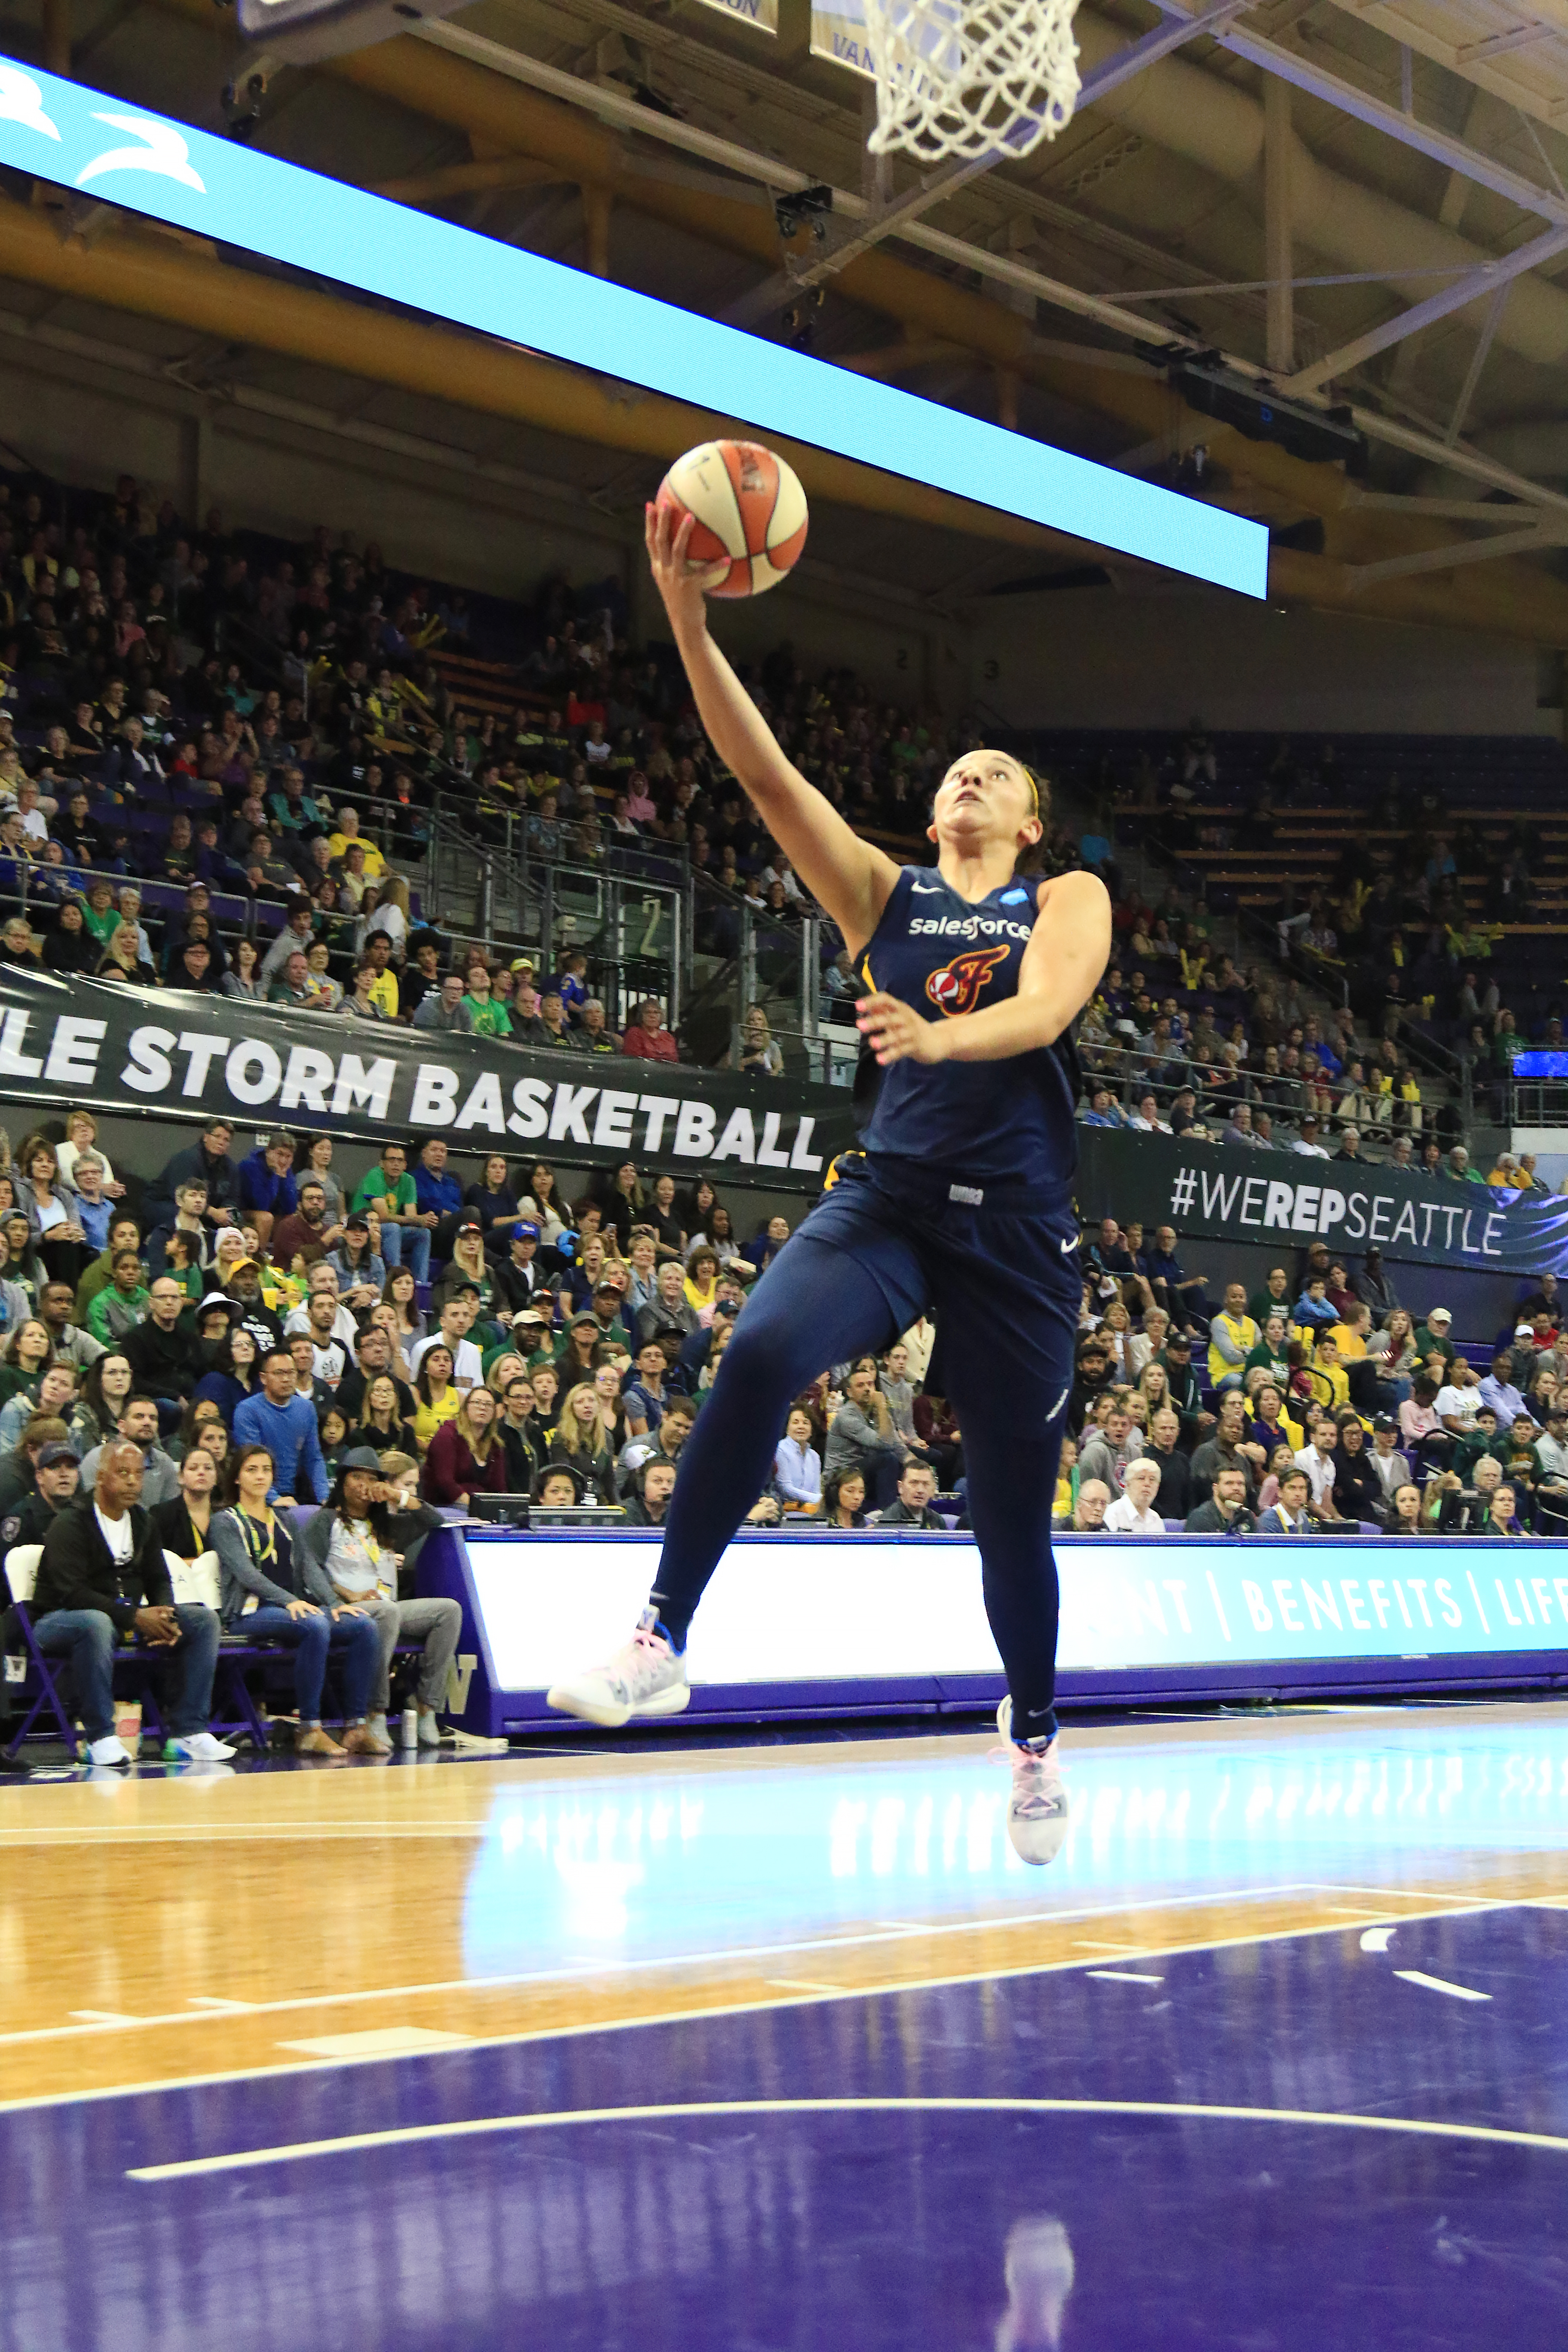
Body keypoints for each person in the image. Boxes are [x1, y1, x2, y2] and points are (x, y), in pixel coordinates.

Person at [548, 503, 1110, 1872]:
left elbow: (1040, 1016)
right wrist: (685, 616)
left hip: (1020, 1241)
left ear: (1031, 822)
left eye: (998, 774)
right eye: (958, 773)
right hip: (894, 1200)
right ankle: (659, 1638)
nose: (973, 780)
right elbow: (764, 776)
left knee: (1007, 1520)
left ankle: (1031, 1736)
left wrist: (936, 1035)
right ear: (932, 815)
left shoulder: (1068, 900)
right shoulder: (886, 897)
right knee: (753, 1355)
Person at [29, 1436, 233, 1766]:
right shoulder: (70, 1522)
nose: (132, 1481)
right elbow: (74, 1593)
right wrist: (135, 1617)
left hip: (123, 1617)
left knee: (203, 1620)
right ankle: (100, 1737)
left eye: (138, 1474)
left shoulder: (143, 1521)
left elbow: (157, 1577)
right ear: (101, 1476)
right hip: (60, 1619)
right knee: (96, 1621)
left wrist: (165, 1613)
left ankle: (189, 1732)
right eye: (122, 1472)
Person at [211, 1443, 384, 1755]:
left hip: (296, 1609)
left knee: (365, 1625)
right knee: (316, 1625)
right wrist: (289, 1601)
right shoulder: (226, 1521)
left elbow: (307, 1567)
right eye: (252, 1470)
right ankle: (309, 1728)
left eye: (266, 1470)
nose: (260, 1476)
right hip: (250, 1611)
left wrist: (334, 1603)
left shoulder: (285, 1519)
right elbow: (247, 1574)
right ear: (236, 1477)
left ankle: (356, 1727)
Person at [297, 1449, 454, 1748]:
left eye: (372, 1479)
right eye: (357, 1477)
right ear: (342, 1482)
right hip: (344, 1609)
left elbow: (434, 1519)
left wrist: (397, 1496)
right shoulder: (325, 1520)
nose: (364, 1485)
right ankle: (375, 1711)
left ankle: (427, 1708)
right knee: (386, 1612)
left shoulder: (385, 1525)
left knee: (448, 1611)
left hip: (386, 1607)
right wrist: (344, 1595)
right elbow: (308, 1570)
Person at [232, 1347, 331, 1504]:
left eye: (291, 1372)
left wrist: (325, 1498)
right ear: (263, 1378)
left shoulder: (307, 1409)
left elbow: (314, 1458)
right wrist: (274, 1499)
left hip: (294, 1494)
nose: (286, 1379)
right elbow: (250, 1461)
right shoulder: (248, 1410)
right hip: (257, 1496)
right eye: (279, 1373)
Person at [1185, 1464, 1258, 1533]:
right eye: (1229, 1483)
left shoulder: (1247, 1516)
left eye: (1241, 1484)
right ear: (1215, 1489)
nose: (1236, 1488)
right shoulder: (1201, 1518)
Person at [876, 1458, 946, 1528]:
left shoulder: (937, 1520)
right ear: (900, 1487)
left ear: (933, 1489)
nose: (920, 1490)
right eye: (914, 1483)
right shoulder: (888, 1522)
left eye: (926, 1484)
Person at [1104, 1456, 1164, 1534]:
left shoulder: (1156, 1519)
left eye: (1152, 1480)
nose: (1147, 1484)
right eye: (1141, 1478)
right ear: (1128, 1483)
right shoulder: (1112, 1514)